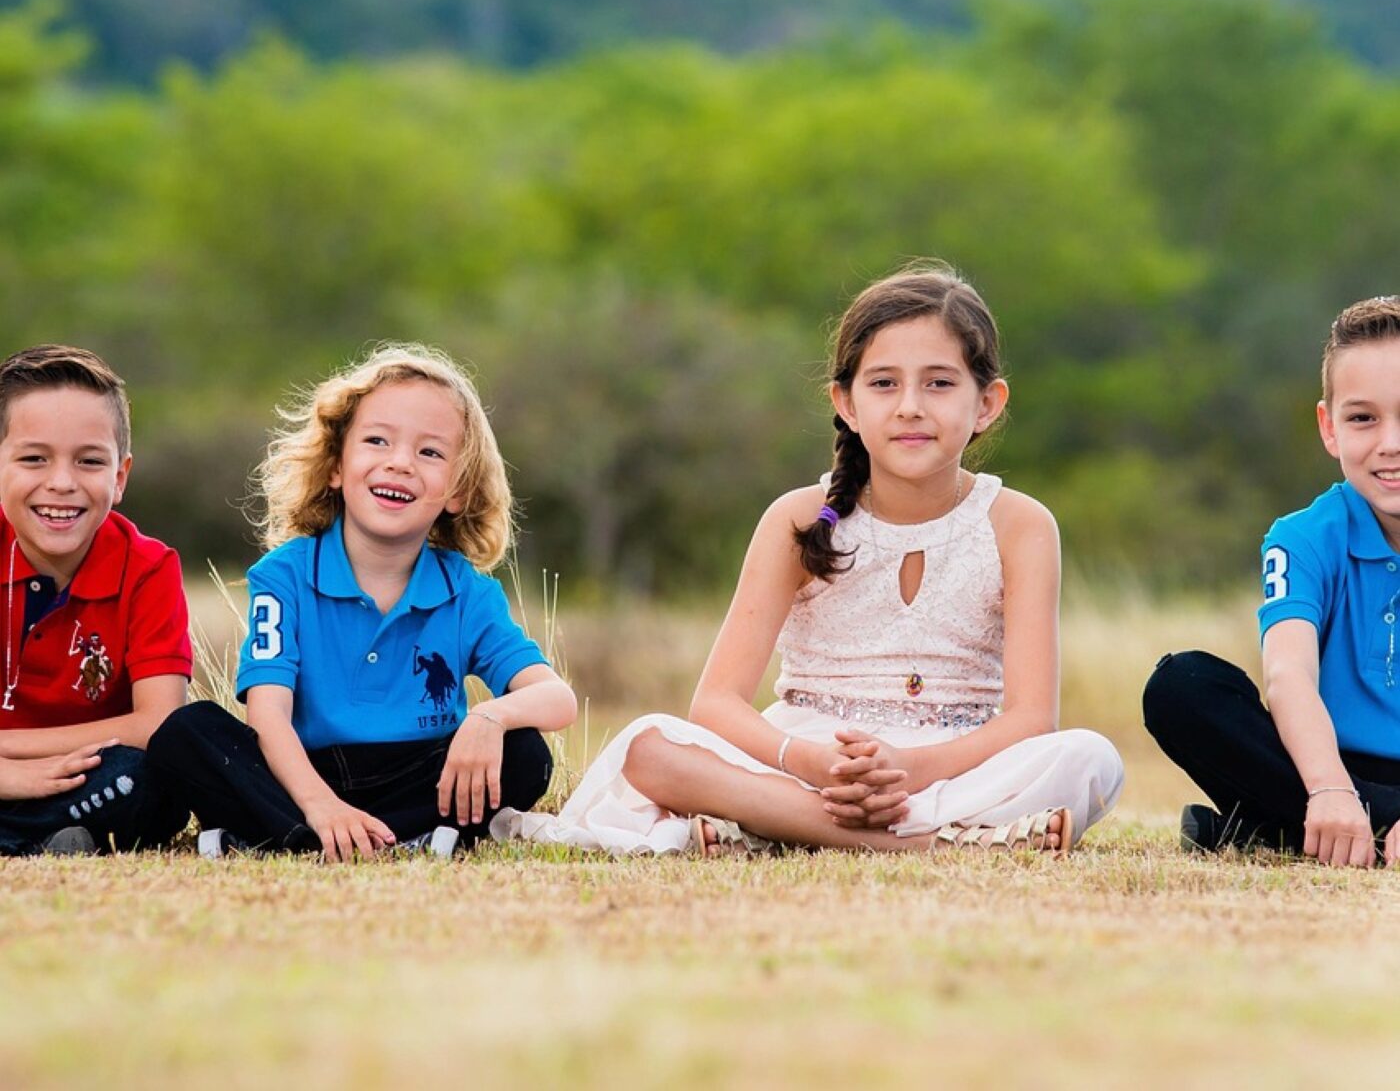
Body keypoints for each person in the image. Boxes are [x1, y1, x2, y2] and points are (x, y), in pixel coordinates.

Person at [495, 264, 1123, 856]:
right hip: (806, 761)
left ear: (986, 402)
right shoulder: (798, 518)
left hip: (955, 763)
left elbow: (1031, 719)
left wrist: (907, 769)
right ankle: (933, 843)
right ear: (847, 403)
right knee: (650, 748)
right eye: (884, 383)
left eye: (939, 382)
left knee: (1089, 759)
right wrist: (811, 760)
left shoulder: (1020, 525)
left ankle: (778, 827)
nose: (910, 405)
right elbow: (715, 704)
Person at [147, 344, 576, 860]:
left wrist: (490, 719)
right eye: (377, 441)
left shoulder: (468, 592)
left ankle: (288, 838)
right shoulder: (283, 576)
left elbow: (558, 700)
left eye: (430, 452)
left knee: (526, 753)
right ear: (336, 466)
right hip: (300, 773)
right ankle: (333, 834)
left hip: (417, 776)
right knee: (186, 734)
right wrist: (322, 805)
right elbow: (268, 717)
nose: (399, 464)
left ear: (457, 491)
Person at [1144, 296, 1400, 865]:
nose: (1390, 443)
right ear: (1329, 428)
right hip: (1323, 766)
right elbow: (1288, 677)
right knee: (1180, 687)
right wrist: (1333, 789)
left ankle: (1269, 829)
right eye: (1363, 418)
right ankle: (1364, 822)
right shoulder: (1302, 538)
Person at [0, 345, 191, 856]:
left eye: (89, 461)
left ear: (120, 476)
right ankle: (40, 841)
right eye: (34, 458)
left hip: (89, 778)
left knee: (149, 780)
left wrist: (13, 753)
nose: (61, 483)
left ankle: (29, 836)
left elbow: (156, 723)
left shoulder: (149, 568)